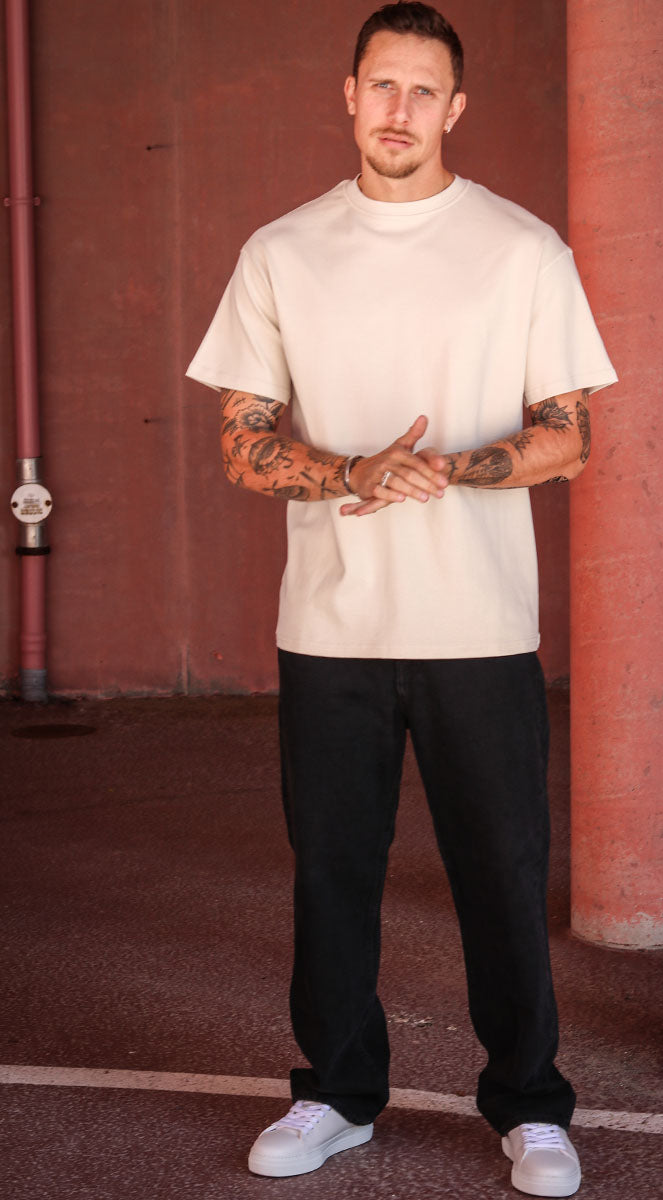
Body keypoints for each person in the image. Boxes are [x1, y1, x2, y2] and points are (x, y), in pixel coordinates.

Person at [187, 3, 616, 1194]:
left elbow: (569, 434)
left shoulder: (522, 250)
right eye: (382, 85)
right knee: (332, 871)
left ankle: (529, 1106)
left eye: (424, 90)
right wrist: (350, 474)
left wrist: (453, 467)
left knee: (501, 873)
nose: (399, 109)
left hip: (480, 624)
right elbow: (241, 442)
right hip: (331, 628)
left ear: (454, 108)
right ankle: (334, 1094)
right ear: (348, 93)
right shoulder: (281, 251)